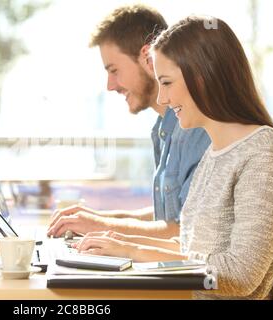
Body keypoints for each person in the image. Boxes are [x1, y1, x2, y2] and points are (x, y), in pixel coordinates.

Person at [75, 16, 273, 300]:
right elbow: (193, 248)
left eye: (167, 82)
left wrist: (135, 252)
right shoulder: (214, 152)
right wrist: (121, 243)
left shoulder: (264, 152)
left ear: (201, 77)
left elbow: (240, 274)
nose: (162, 99)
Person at [47, 5, 210, 239]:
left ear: (147, 57)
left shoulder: (195, 129)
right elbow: (168, 217)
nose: (110, 85)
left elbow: (187, 232)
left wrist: (99, 226)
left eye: (114, 70)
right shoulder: (164, 129)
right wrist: (96, 219)